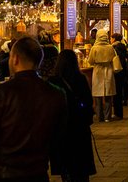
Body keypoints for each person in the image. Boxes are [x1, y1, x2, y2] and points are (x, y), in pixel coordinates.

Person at [0, 36, 68, 182]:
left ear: (15, 59)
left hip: (3, 174)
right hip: (37, 174)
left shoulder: (0, 93)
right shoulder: (56, 94)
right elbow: (58, 139)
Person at [49, 50, 96, 182]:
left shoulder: (54, 81)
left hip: (62, 130)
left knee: (66, 169)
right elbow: (88, 101)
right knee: (81, 170)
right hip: (80, 128)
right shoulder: (81, 78)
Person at [88, 29, 117, 122]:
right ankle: (107, 116)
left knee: (97, 95)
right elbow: (114, 58)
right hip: (108, 69)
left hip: (97, 71)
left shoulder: (94, 48)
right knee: (108, 94)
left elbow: (90, 61)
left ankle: (99, 116)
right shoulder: (110, 47)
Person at [111, 33, 128, 119]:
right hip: (123, 70)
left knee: (116, 92)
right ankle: (120, 113)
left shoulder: (114, 47)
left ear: (114, 39)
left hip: (116, 70)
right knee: (120, 90)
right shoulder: (123, 45)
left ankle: (117, 113)